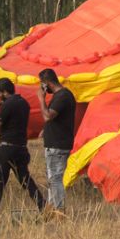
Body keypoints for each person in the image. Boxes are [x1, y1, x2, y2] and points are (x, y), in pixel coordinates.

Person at [0, 77, 46, 220]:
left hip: (7, 149)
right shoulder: (24, 103)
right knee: (26, 180)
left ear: (5, 92)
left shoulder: (8, 105)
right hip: (21, 148)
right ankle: (43, 206)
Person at [37, 69, 76, 218]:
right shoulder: (63, 96)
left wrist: (41, 98)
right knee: (52, 179)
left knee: (55, 180)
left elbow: (47, 116)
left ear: (47, 83)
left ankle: (59, 212)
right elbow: (56, 119)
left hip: (57, 146)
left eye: (42, 84)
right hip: (56, 143)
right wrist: (45, 131)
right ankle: (50, 211)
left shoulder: (62, 96)